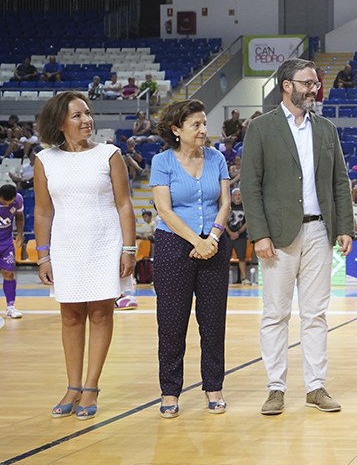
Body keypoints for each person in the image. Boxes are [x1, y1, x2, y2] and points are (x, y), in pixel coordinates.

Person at [240, 58, 354, 416]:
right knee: (275, 314)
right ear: (287, 85)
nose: (314, 88)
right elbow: (250, 186)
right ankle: (276, 388)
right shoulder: (260, 128)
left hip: (320, 230)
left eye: (315, 83)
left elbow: (339, 181)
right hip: (277, 234)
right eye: (307, 83)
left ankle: (315, 387)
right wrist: (258, 234)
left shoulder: (326, 129)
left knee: (316, 314)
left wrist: (345, 227)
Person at [34, 91, 137, 420]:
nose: (86, 120)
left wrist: (129, 248)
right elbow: (42, 212)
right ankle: (72, 386)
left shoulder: (109, 154)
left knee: (101, 315)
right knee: (70, 316)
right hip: (65, 246)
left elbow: (124, 204)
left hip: (105, 242)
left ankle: (91, 386)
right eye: (77, 115)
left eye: (88, 113)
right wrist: (42, 255)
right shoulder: (45, 160)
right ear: (60, 123)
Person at [150, 99, 232, 418]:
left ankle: (213, 385)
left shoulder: (217, 158)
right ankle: (170, 390)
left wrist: (210, 238)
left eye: (204, 123)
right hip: (174, 245)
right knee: (171, 323)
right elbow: (165, 210)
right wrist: (195, 240)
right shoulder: (162, 161)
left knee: (213, 322)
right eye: (195, 125)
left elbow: (224, 204)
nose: (203, 130)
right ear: (176, 130)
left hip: (213, 244)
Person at [0, 184, 24, 320]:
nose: (8, 204)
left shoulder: (18, 199)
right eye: (4, 202)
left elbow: (19, 217)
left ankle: (10, 307)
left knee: (9, 273)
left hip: (6, 242)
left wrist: (20, 234)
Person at [226, 189, 251, 285]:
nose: (237, 197)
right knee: (225, 258)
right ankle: (224, 278)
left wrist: (238, 232)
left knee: (242, 257)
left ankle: (244, 278)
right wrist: (230, 233)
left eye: (239, 194)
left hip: (241, 236)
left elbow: (247, 221)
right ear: (232, 197)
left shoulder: (245, 207)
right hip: (227, 235)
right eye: (235, 195)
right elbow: (223, 220)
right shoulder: (228, 206)